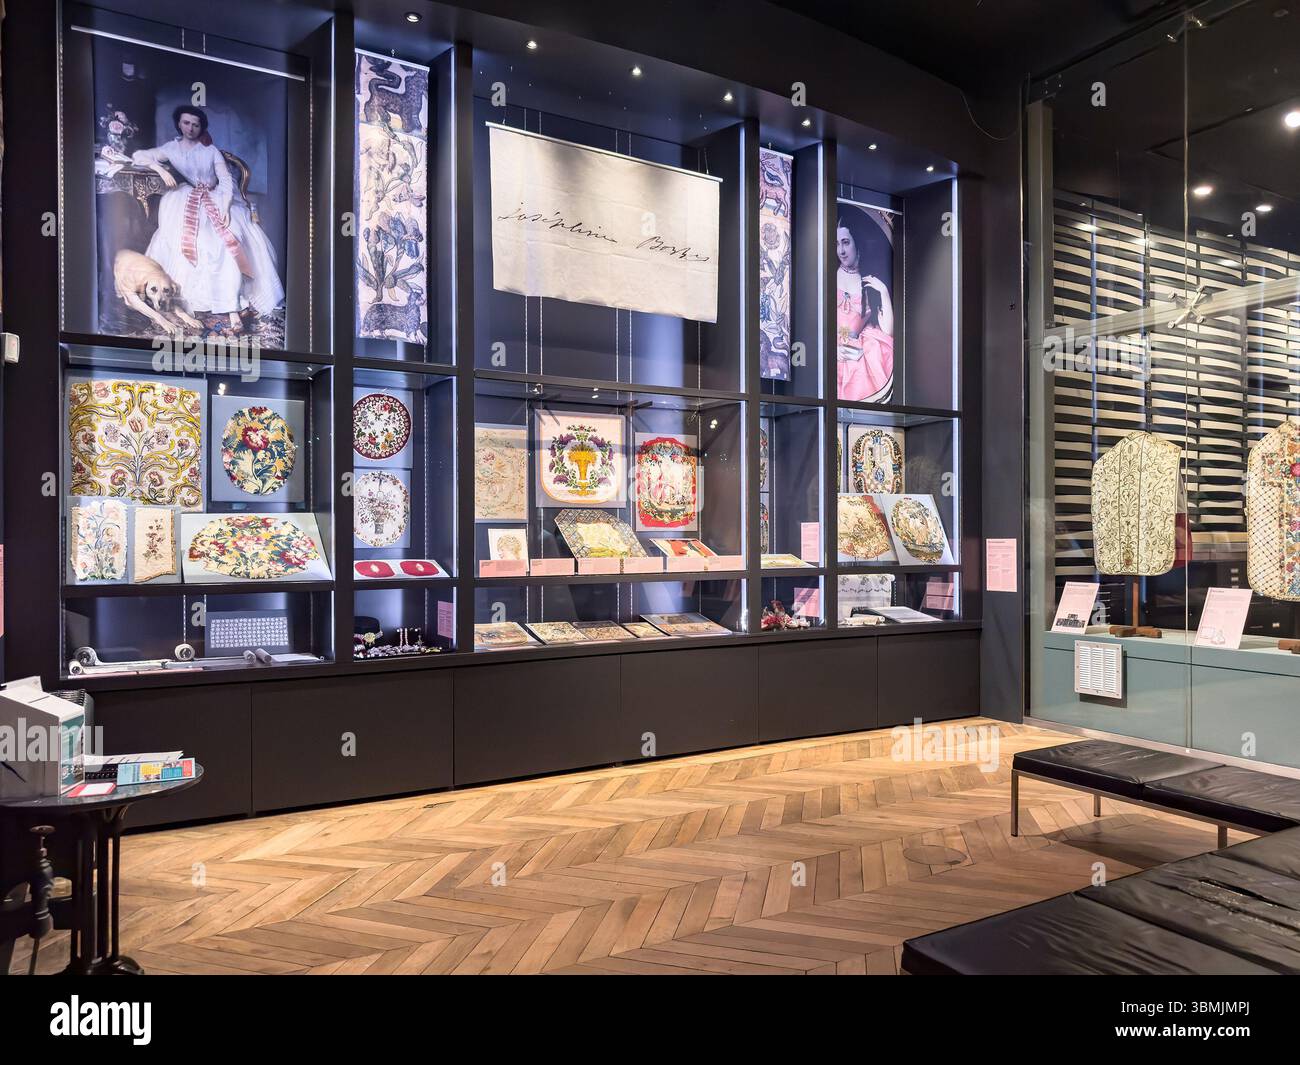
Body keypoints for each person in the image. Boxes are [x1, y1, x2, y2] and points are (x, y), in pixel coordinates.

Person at [132, 105, 284, 333]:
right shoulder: (171, 148)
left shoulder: (210, 150)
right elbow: (139, 156)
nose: (190, 128)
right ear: (179, 124)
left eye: (195, 124)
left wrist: (225, 207)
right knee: (183, 238)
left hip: (214, 198)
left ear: (201, 126)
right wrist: (159, 168)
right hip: (183, 199)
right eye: (186, 123)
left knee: (226, 240)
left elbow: (225, 181)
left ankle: (229, 303)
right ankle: (184, 298)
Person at [835, 208, 895, 403]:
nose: (841, 251)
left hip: (856, 352)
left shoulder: (870, 283)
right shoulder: (828, 277)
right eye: (837, 244)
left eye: (845, 242)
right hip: (830, 351)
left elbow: (888, 330)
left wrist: (884, 292)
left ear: (857, 242)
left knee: (878, 350)